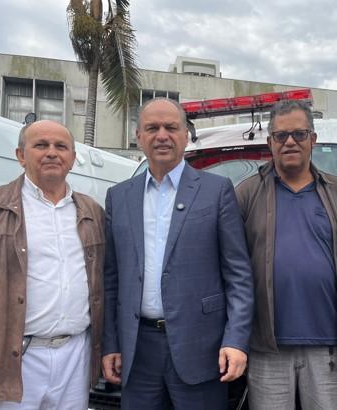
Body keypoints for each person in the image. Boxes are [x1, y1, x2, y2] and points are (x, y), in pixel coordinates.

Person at [102, 98, 254, 410]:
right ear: (139, 136)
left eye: (171, 128)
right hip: (137, 352)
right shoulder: (119, 197)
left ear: (186, 136)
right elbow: (111, 279)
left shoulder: (217, 190)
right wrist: (111, 343)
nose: (162, 135)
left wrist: (236, 340)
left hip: (201, 347)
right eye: (152, 128)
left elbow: (238, 275)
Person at [235, 100, 337, 410]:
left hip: (330, 347)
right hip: (267, 349)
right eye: (280, 135)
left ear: (312, 139)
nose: (290, 142)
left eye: (299, 134)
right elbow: (233, 273)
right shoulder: (246, 194)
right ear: (270, 143)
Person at [0, 120, 105, 410]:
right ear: (21, 155)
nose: (52, 152)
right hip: (10, 363)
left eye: (61, 146)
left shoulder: (92, 212)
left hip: (75, 358)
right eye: (41, 145)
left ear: (72, 158)